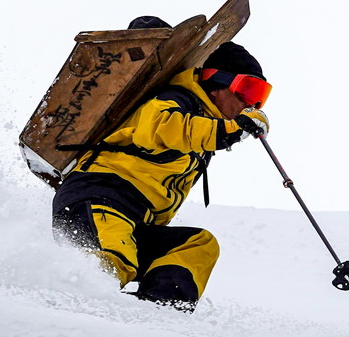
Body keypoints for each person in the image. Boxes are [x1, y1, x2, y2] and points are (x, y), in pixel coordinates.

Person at [51, 17, 272, 311]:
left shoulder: (203, 125)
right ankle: (63, 306)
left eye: (260, 96)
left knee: (198, 245)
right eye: (248, 89)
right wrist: (230, 132)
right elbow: (162, 125)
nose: (252, 104)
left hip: (134, 221)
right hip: (98, 199)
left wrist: (227, 131)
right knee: (115, 257)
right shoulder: (175, 100)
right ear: (216, 82)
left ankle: (161, 312)